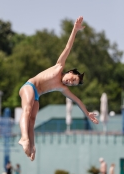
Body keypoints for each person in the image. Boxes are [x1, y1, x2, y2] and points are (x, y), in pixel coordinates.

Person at [19, 16, 99, 161]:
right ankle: (24, 138)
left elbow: (77, 100)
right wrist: (75, 29)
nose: (69, 82)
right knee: (27, 110)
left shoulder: (62, 88)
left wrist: (87, 113)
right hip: (29, 86)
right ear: (70, 71)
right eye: (72, 79)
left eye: (72, 84)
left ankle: (32, 146)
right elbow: (68, 47)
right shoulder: (59, 67)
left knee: (32, 119)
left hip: (37, 95)